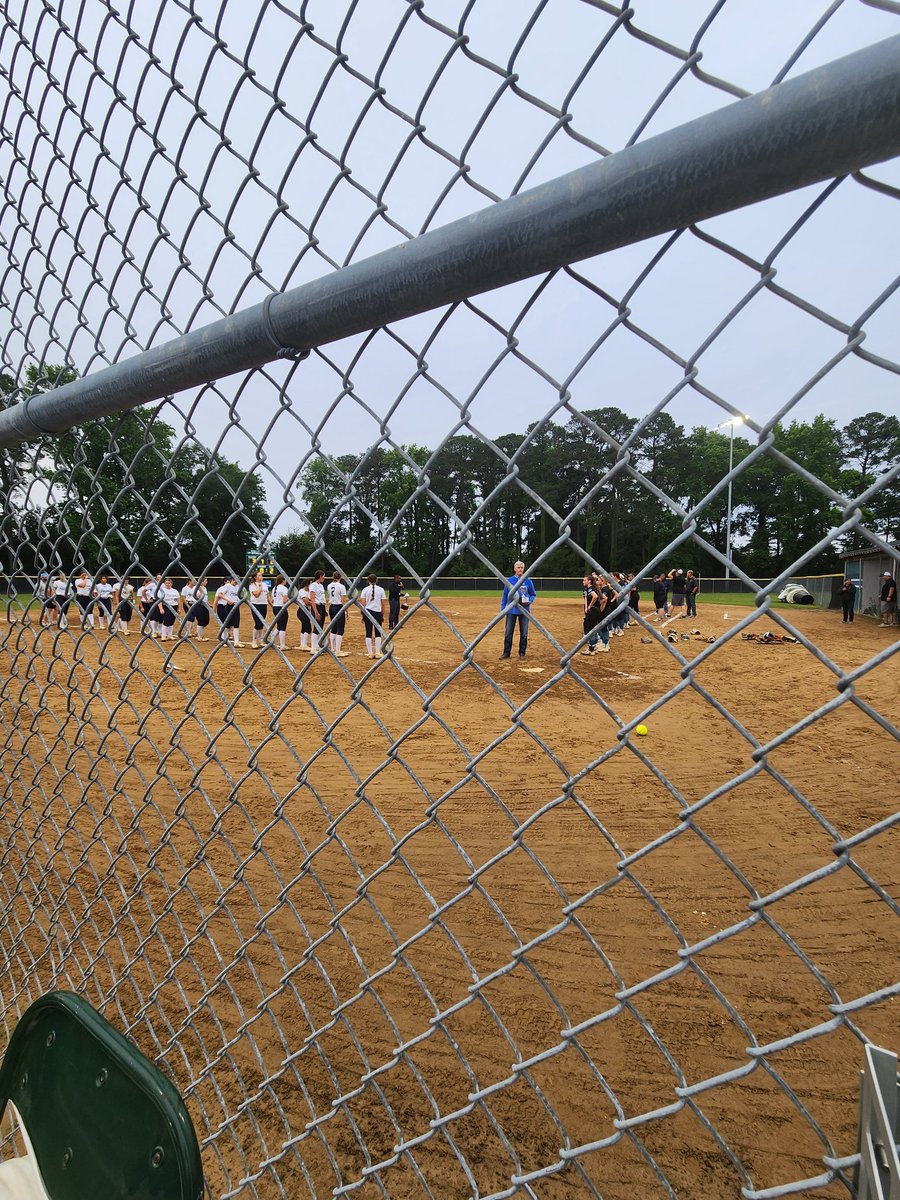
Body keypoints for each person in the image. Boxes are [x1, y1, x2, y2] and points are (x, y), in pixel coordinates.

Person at [499, 560, 536, 659]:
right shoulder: (509, 580)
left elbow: (533, 594)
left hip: (524, 611)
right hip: (511, 610)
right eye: (518, 567)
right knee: (508, 633)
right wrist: (503, 609)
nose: (520, 569)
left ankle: (522, 653)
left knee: (524, 633)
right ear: (515, 569)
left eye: (522, 567)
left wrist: (530, 601)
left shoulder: (528, 581)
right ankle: (506, 652)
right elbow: (505, 596)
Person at [360, 574, 387, 658]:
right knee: (378, 632)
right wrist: (382, 615)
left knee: (368, 632)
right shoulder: (381, 590)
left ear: (368, 580)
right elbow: (383, 604)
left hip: (368, 612)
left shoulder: (365, 589)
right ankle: (378, 652)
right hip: (377, 612)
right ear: (376, 580)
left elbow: (363, 603)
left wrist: (363, 614)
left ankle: (370, 653)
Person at [326, 571, 349, 656]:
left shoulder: (329, 585)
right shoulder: (341, 586)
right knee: (340, 629)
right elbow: (343, 600)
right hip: (339, 607)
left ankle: (333, 648)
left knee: (334, 628)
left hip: (331, 607)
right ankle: (338, 650)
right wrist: (346, 611)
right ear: (340, 577)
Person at [214, 576, 243, 645]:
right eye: (235, 580)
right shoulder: (227, 586)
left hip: (236, 606)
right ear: (232, 580)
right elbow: (219, 594)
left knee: (236, 623)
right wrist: (227, 600)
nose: (236, 582)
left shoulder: (238, 586)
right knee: (227, 624)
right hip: (229, 606)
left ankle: (236, 642)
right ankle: (224, 640)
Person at [249, 571, 269, 649]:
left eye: (261, 575)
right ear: (255, 577)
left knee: (262, 623)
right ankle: (254, 641)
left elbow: (267, 595)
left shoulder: (265, 584)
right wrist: (260, 588)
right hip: (255, 605)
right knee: (258, 623)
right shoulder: (252, 585)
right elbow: (256, 595)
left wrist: (271, 604)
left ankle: (260, 640)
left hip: (264, 604)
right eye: (259, 575)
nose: (261, 576)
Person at [271, 575, 290, 650]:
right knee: (282, 626)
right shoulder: (284, 588)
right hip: (281, 608)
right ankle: (282, 645)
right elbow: (285, 600)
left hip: (275, 607)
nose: (286, 581)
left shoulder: (274, 588)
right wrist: (289, 599)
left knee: (279, 626)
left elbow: (272, 600)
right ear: (282, 580)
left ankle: (270, 640)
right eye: (285, 579)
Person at [309, 570, 327, 650]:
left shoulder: (321, 585)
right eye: (323, 576)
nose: (324, 577)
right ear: (320, 576)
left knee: (320, 627)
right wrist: (316, 611)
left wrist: (324, 610)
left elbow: (322, 598)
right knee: (316, 627)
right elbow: (312, 599)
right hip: (316, 606)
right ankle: (313, 647)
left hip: (322, 606)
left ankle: (317, 645)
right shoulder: (313, 585)